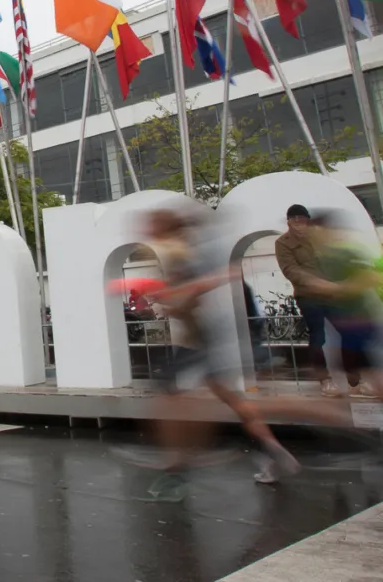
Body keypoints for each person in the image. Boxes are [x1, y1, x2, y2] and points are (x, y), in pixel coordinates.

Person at [138, 209, 300, 494]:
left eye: (150, 224)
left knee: (168, 392)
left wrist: (167, 300)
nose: (145, 229)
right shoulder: (189, 250)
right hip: (207, 336)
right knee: (231, 399)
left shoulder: (176, 252)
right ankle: (272, 448)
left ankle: (180, 464)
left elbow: (189, 297)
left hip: (196, 338)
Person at [305, 211, 382, 399]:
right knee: (359, 367)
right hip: (344, 323)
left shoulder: (346, 251)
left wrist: (336, 288)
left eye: (315, 230)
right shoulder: (322, 256)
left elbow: (371, 277)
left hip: (358, 320)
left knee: (369, 368)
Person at [275, 204, 343, 397]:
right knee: (317, 337)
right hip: (308, 296)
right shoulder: (283, 243)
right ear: (288, 221)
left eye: (302, 219)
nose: (298, 223)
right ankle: (325, 380)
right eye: (293, 219)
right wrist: (316, 283)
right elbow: (290, 270)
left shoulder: (318, 237)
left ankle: (356, 377)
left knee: (347, 330)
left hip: (332, 294)